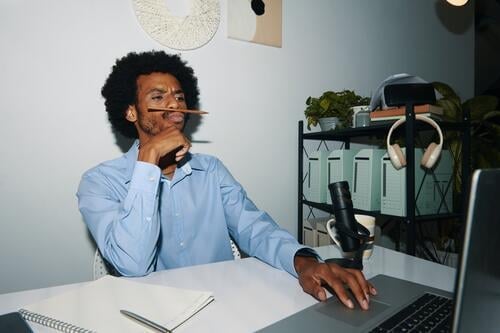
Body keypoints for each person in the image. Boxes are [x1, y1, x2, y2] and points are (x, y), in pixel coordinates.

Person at [77, 50, 376, 310]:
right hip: (150, 314)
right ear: (131, 112)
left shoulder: (212, 170)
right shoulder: (99, 182)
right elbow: (133, 264)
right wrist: (149, 161)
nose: (174, 105)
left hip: (223, 305)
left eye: (179, 97)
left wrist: (304, 262)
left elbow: (254, 228)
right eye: (158, 97)